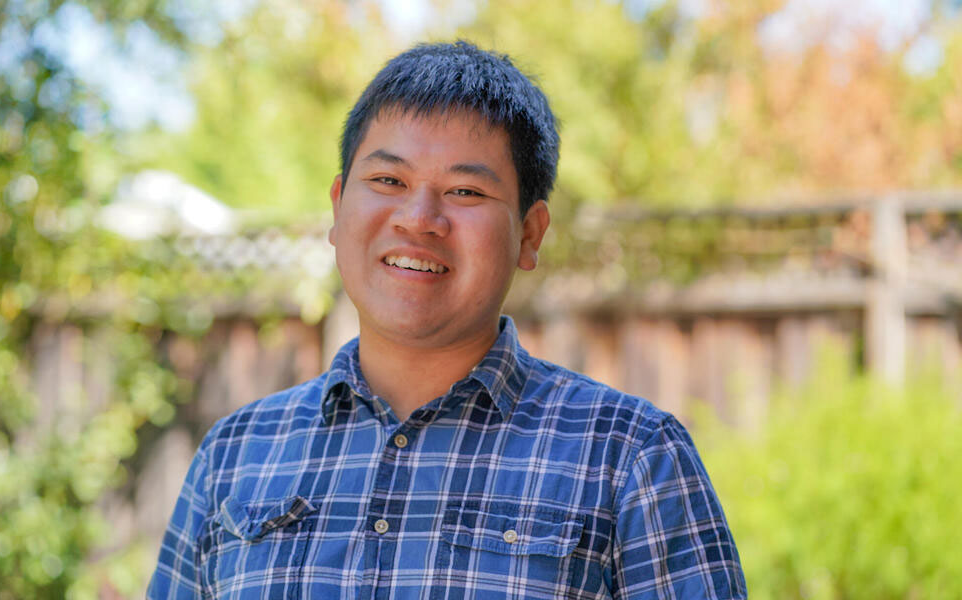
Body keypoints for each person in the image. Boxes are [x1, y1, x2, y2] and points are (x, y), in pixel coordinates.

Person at [148, 40, 746, 599]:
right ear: (337, 207)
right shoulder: (233, 455)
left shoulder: (632, 457)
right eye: (388, 180)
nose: (419, 218)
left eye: (465, 192)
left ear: (529, 235)